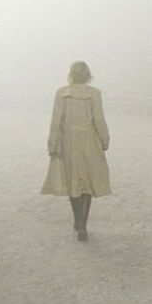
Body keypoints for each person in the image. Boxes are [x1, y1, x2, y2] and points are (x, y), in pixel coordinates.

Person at [41, 61, 111, 241]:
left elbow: (56, 121)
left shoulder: (62, 93)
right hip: (89, 141)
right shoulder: (94, 94)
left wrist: (52, 144)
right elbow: (99, 120)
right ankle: (82, 224)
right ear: (88, 74)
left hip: (68, 142)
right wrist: (105, 140)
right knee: (87, 181)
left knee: (73, 180)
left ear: (71, 74)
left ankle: (77, 219)